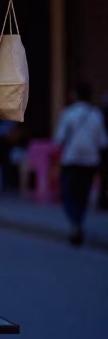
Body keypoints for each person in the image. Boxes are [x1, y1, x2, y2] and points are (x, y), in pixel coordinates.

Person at [53, 81, 108, 246]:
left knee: (68, 194)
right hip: (90, 161)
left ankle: (75, 224)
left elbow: (59, 139)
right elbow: (103, 142)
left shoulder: (68, 114)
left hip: (71, 159)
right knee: (83, 195)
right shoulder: (96, 115)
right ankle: (78, 223)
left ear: (74, 94)